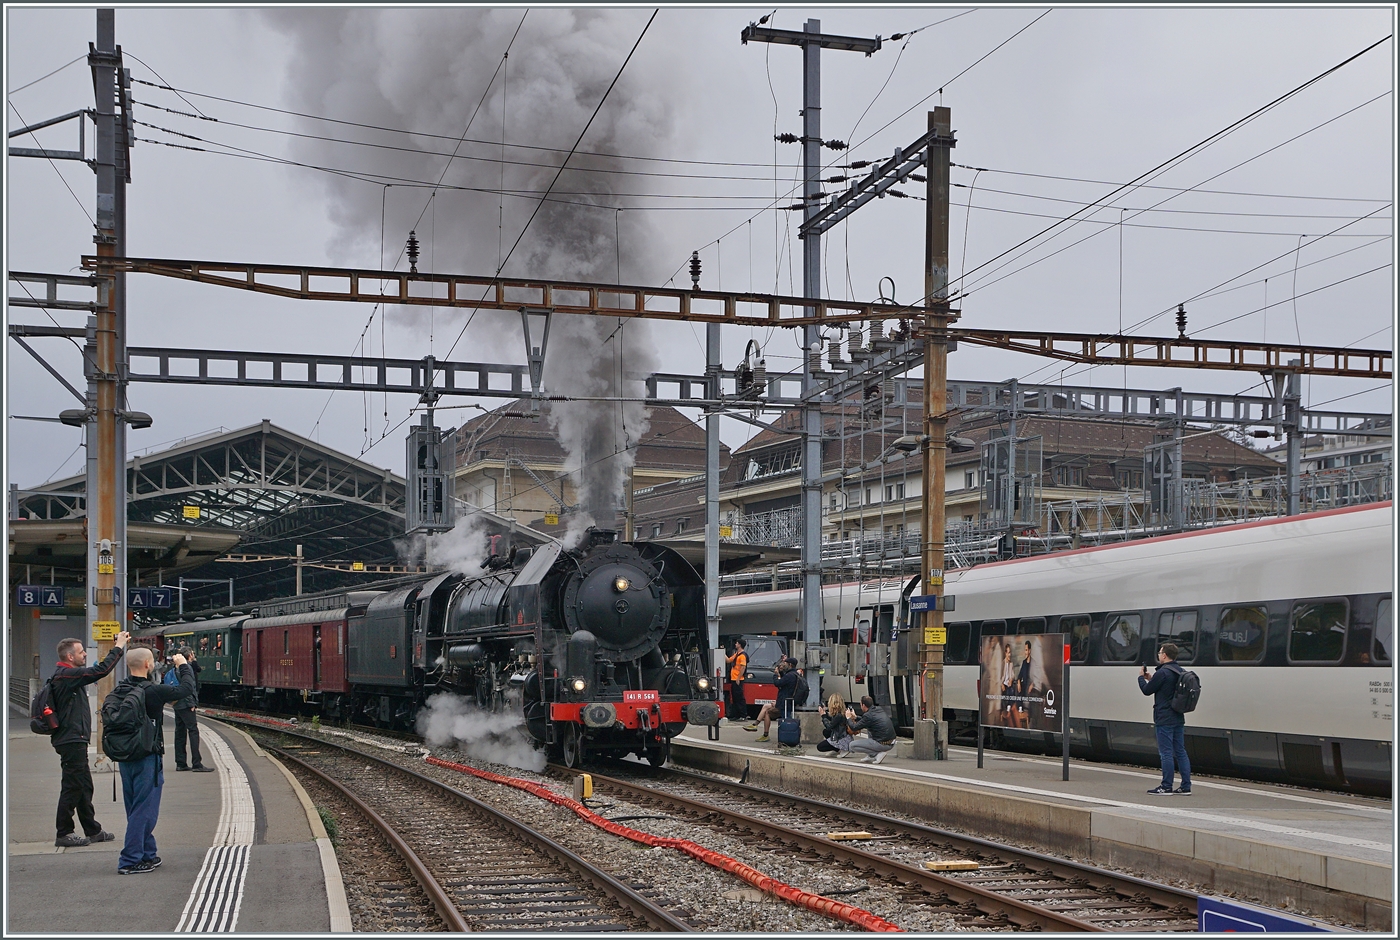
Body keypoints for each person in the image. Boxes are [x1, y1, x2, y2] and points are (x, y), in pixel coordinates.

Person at [113, 648, 197, 874]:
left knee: (135, 806)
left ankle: (147, 853)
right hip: (147, 755)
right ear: (148, 665)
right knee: (145, 809)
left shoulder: (120, 689)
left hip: (125, 755)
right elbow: (186, 689)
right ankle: (130, 860)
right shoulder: (153, 691)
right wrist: (183, 665)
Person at [49, 632, 129, 847]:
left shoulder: (67, 676)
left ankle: (92, 830)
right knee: (72, 786)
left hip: (75, 738)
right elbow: (100, 671)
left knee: (83, 785)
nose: (85, 654)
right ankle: (64, 832)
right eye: (81, 652)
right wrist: (119, 646)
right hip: (71, 739)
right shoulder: (66, 675)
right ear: (70, 657)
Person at [1139, 642, 1191, 795]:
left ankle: (1166, 786)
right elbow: (1165, 687)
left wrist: (1141, 678)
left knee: (1166, 753)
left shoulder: (1162, 672)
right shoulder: (1179, 671)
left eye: (1160, 652)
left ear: (1165, 655)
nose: (1159, 655)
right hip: (1178, 716)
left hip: (1164, 717)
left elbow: (1147, 690)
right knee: (1180, 751)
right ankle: (1186, 786)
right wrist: (1151, 678)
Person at [169, 647, 210, 772]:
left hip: (177, 703)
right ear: (190, 655)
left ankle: (180, 763)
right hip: (186, 703)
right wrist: (193, 703)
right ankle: (197, 763)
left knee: (180, 732)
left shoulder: (176, 667)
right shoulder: (187, 668)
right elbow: (190, 686)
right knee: (193, 731)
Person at [747, 659, 798, 742]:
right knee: (766, 707)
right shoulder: (793, 674)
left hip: (784, 704)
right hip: (785, 702)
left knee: (768, 712)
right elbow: (784, 682)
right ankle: (755, 725)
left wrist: (775, 675)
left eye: (785, 663)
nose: (784, 664)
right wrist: (780, 672)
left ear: (790, 665)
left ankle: (765, 734)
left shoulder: (790, 676)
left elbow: (778, 683)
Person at [846, 695, 896, 764]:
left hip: (883, 744)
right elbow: (866, 721)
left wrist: (848, 718)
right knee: (869, 728)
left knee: (852, 745)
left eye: (860, 704)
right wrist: (856, 717)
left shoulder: (868, 715)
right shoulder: (878, 709)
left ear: (863, 705)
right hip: (891, 742)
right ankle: (870, 755)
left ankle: (876, 754)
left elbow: (854, 727)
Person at [724, 639, 748, 724]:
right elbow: (728, 660)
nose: (735, 644)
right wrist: (722, 652)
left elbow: (743, 667)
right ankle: (736, 715)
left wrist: (738, 678)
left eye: (737, 643)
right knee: (734, 697)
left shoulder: (742, 656)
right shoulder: (737, 654)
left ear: (740, 645)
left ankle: (743, 715)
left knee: (739, 697)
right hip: (734, 679)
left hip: (738, 679)